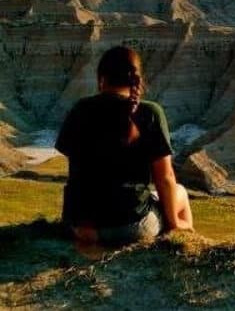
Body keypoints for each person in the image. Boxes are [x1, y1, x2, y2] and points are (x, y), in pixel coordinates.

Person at [55, 45, 193, 245]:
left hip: (78, 226)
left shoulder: (79, 109)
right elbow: (165, 178)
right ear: (137, 80)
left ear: (102, 79)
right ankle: (184, 243)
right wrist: (174, 223)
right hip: (129, 227)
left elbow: (77, 167)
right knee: (180, 192)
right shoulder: (150, 113)